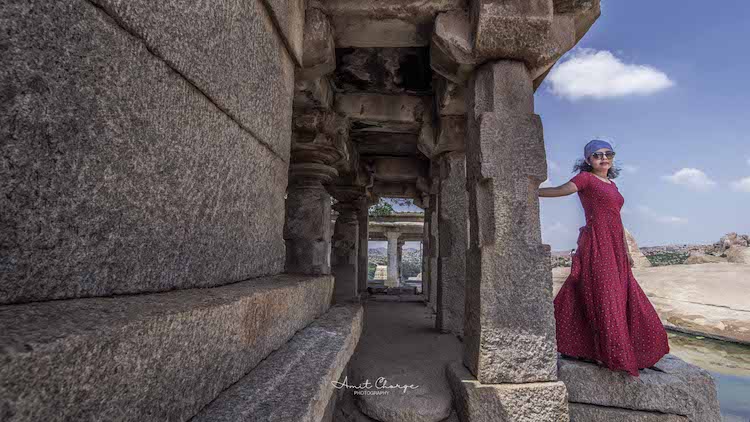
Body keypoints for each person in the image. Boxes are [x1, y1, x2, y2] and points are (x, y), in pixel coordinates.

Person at [538, 139, 669, 376]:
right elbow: (562, 190)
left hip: (615, 246)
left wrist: (626, 250)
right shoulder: (585, 179)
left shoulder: (612, 184)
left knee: (610, 293)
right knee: (605, 295)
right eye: (597, 155)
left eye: (608, 154)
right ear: (588, 160)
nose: (604, 158)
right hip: (597, 243)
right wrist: (532, 191)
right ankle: (610, 352)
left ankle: (590, 347)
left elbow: (616, 219)